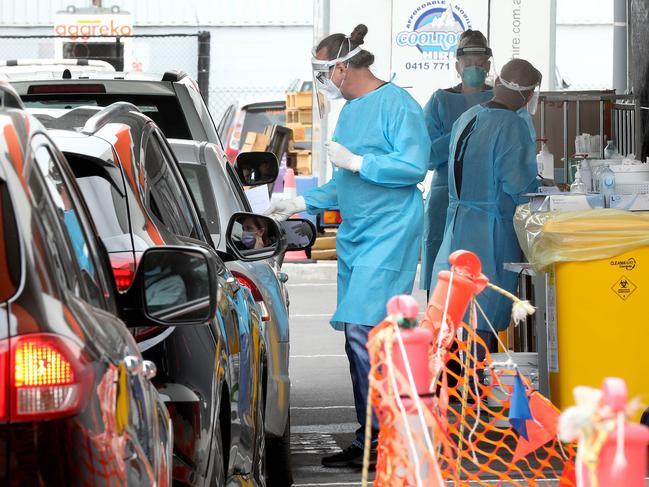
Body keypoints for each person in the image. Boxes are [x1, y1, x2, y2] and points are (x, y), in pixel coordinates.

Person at [266, 24, 430, 468]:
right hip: (358, 235)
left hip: (391, 230)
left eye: (322, 72)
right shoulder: (351, 112)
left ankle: (379, 442)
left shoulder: (398, 105)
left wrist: (361, 161)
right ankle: (373, 435)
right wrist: (300, 201)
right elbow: (345, 183)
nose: (322, 81)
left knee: (364, 332)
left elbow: (413, 166)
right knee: (363, 337)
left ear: (341, 66)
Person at [430, 58, 541, 354]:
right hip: (490, 233)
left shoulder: (467, 116)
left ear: (499, 82)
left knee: (456, 309)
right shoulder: (512, 126)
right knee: (482, 315)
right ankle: (477, 388)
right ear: (529, 95)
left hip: (457, 226)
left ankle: (455, 388)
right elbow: (521, 187)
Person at [421, 30, 494, 297]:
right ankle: (443, 338)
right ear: (457, 66)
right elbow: (427, 154)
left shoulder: (499, 100)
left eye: (479, 61)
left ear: (487, 65)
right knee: (443, 278)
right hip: (446, 197)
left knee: (484, 275)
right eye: (468, 62)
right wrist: (463, 131)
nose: (474, 67)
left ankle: (479, 337)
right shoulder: (441, 100)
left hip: (488, 199)